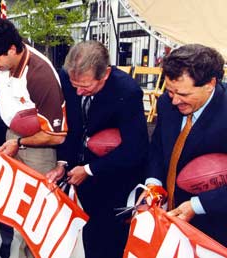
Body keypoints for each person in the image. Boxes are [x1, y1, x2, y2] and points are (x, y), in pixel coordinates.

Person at [0, 18, 67, 258]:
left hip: (41, 141)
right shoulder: (0, 61)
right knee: (17, 206)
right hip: (14, 134)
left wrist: (19, 143)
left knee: (38, 212)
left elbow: (57, 135)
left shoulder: (40, 75)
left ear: (12, 49)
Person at [47, 41, 149, 258]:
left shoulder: (127, 92)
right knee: (90, 233)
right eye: (74, 85)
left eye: (85, 86)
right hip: (82, 175)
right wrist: (63, 163)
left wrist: (91, 169)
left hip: (114, 178)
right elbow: (71, 126)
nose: (79, 91)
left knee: (110, 239)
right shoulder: (66, 77)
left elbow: (135, 149)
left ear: (106, 74)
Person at [145, 44, 227, 246]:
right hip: (170, 223)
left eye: (183, 94)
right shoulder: (166, 102)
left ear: (210, 84)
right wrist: (153, 183)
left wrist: (198, 205)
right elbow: (158, 147)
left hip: (215, 229)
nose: (174, 101)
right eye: (170, 91)